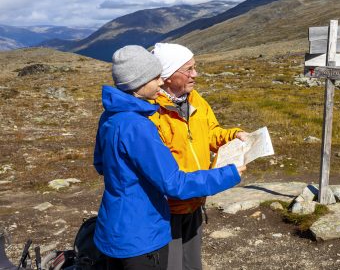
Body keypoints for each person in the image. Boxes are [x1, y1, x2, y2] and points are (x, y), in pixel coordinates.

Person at [93, 45, 246, 270]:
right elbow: (174, 183)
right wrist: (229, 173)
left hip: (118, 224)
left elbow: (101, 164)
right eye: (156, 78)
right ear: (140, 82)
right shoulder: (139, 124)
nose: (160, 82)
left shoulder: (111, 116)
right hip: (144, 230)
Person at [149, 42, 248, 270]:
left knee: (192, 265)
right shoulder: (154, 112)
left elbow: (210, 132)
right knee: (170, 266)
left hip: (195, 200)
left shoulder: (195, 99)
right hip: (167, 209)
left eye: (195, 67)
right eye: (189, 69)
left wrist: (233, 135)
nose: (196, 74)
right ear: (168, 76)